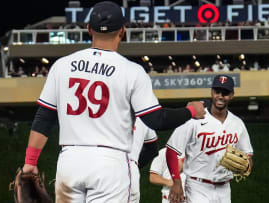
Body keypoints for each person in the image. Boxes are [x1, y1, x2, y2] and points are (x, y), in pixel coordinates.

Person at [20, 1, 205, 203]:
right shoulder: (131, 71)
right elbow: (156, 120)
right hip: (110, 164)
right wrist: (191, 110)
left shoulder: (62, 65)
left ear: (89, 29)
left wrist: (30, 162)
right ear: (122, 31)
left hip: (70, 161)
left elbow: (44, 117)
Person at [166, 75, 254, 203]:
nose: (220, 96)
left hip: (224, 187)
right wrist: (177, 181)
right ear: (212, 92)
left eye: (225, 93)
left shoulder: (237, 123)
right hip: (197, 186)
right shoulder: (194, 119)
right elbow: (171, 150)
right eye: (217, 92)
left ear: (232, 95)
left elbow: (248, 156)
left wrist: (246, 165)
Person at [129, 118, 159, 203]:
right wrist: (134, 166)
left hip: (101, 164)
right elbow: (152, 150)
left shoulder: (105, 114)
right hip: (130, 169)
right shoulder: (143, 117)